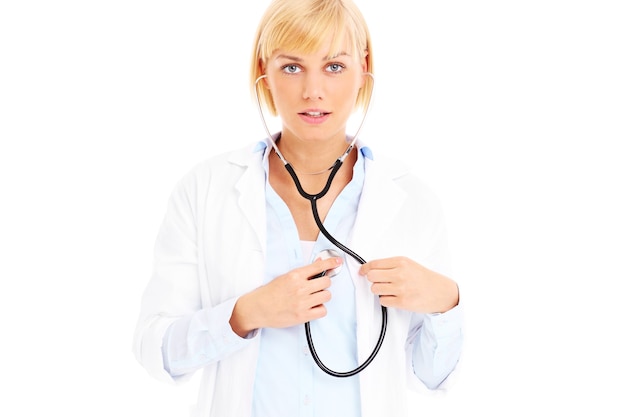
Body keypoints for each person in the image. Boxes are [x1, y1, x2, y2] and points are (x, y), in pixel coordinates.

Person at [133, 0, 463, 416]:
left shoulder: (413, 202)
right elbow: (155, 351)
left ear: (363, 71)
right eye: (292, 67)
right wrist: (245, 314)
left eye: (334, 66)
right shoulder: (204, 189)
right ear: (264, 72)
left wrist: (445, 303)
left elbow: (428, 377)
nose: (313, 91)